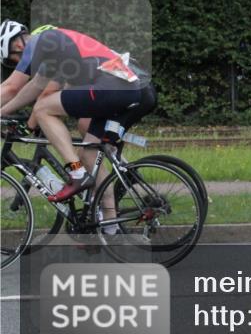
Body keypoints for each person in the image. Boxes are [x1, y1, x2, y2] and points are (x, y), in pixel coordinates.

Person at [0, 21, 156, 204]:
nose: (18, 64)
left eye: (13, 60)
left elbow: (12, 87)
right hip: (126, 88)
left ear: (18, 45)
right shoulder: (56, 56)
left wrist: (28, 124)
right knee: (88, 154)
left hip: (115, 87)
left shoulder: (38, 42)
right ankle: (109, 224)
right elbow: (34, 87)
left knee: (44, 109)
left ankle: (77, 172)